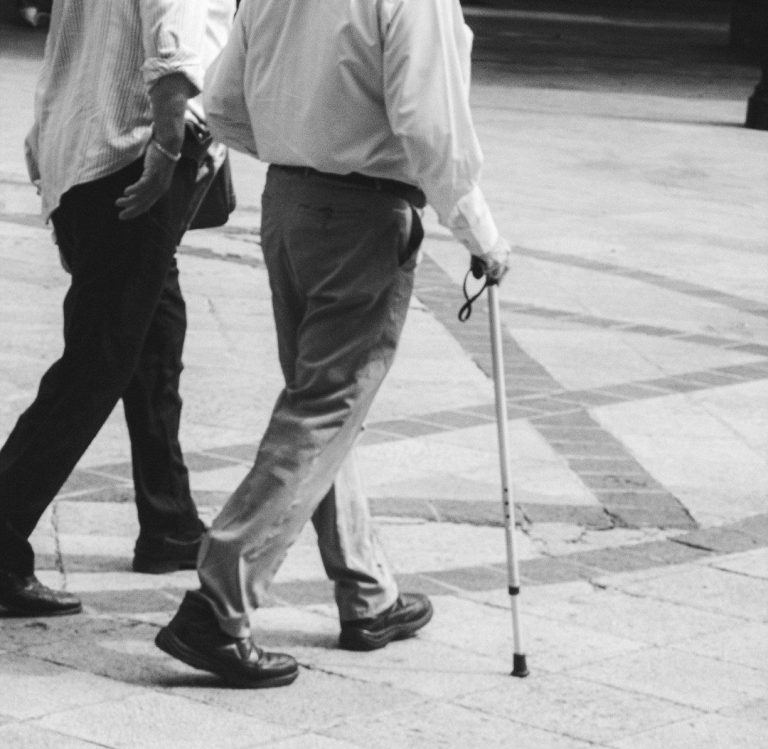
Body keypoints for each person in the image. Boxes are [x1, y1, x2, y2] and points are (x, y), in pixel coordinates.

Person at [155, 0, 510, 689]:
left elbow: (223, 103)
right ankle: (218, 605)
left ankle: (367, 590)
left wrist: (301, 149)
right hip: (364, 210)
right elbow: (430, 126)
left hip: (289, 204)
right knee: (325, 407)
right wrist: (480, 232)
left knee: (318, 405)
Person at [0, 0, 235, 618]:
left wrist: (48, 145)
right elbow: (175, 35)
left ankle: (170, 521)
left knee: (155, 335)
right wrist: (168, 145)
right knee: (96, 364)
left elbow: (69, 42)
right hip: (133, 152)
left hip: (85, 146)